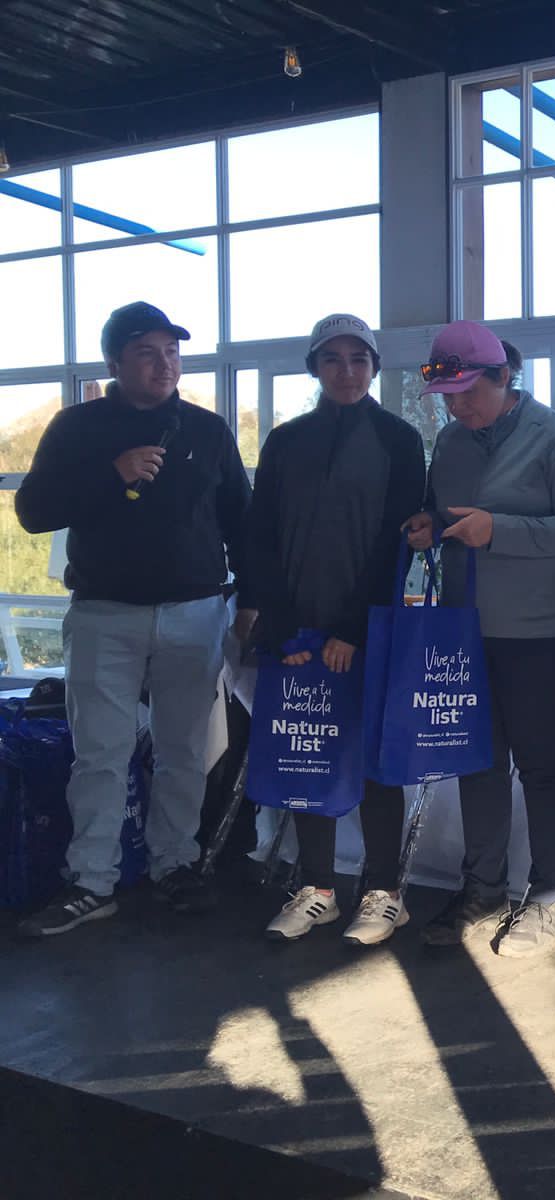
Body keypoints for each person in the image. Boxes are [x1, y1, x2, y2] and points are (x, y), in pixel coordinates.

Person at [16, 301, 251, 936]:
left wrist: (252, 601)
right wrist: (110, 474)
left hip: (195, 614)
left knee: (183, 750)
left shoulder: (207, 430)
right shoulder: (77, 427)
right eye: (147, 352)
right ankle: (92, 881)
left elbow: (241, 520)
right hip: (103, 615)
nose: (164, 363)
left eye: (172, 351)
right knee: (100, 754)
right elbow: (33, 512)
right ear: (114, 362)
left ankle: (175, 865)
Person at [406, 319, 555, 957]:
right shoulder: (452, 443)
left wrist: (501, 531)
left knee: (542, 765)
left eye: (469, 392)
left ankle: (551, 895)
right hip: (465, 630)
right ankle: (483, 887)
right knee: (478, 762)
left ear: (503, 376)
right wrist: (427, 523)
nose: (458, 407)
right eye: (448, 397)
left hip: (537, 631)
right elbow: (442, 509)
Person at [244, 314, 425, 945]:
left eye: (358, 359)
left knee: (374, 760)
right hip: (297, 633)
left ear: (374, 367)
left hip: (367, 629)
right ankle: (317, 887)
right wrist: (283, 627)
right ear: (314, 368)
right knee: (307, 751)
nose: (346, 371)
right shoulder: (285, 440)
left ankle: (384, 892)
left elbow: (396, 544)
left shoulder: (398, 439)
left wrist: (354, 627)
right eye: (332, 359)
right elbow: (259, 535)